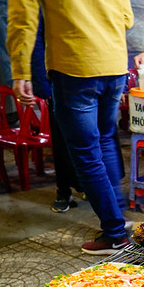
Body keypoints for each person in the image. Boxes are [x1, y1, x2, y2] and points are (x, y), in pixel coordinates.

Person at [8, 0, 134, 255]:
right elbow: (127, 19)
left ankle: (114, 233)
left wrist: (21, 68)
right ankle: (118, 217)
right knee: (105, 140)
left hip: (75, 65)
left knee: (86, 151)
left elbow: (23, 14)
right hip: (115, 64)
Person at [29, 13, 83, 213]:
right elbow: (35, 43)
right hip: (58, 80)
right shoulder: (46, 3)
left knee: (92, 139)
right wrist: (43, 86)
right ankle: (64, 190)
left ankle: (85, 186)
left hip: (89, 77)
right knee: (61, 140)